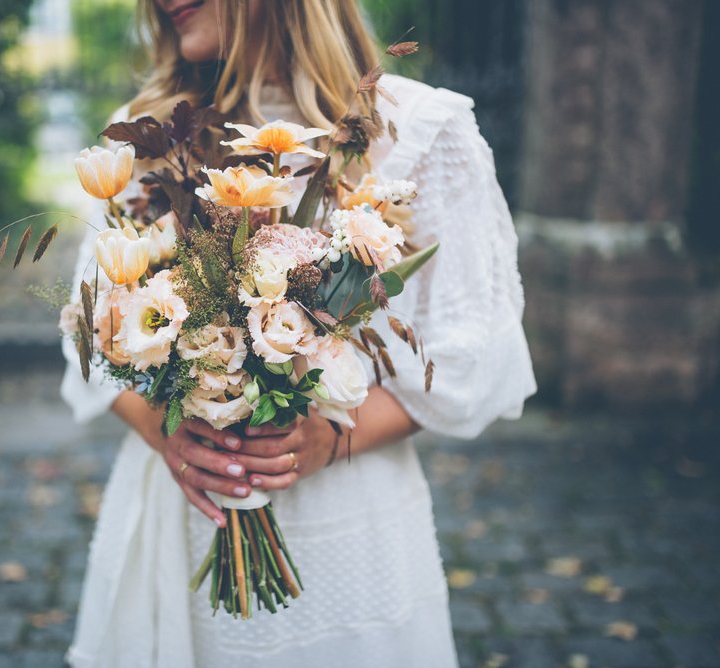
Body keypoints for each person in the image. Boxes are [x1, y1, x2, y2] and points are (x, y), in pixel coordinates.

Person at [62, 1, 537, 666]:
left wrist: (329, 435)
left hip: (342, 515)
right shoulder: (152, 138)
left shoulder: (417, 132)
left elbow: (472, 356)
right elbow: (86, 336)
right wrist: (162, 427)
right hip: (182, 512)